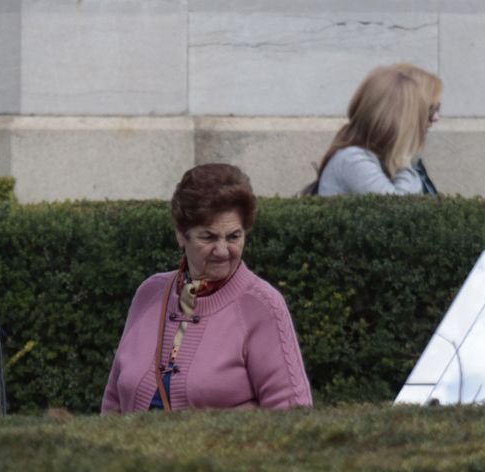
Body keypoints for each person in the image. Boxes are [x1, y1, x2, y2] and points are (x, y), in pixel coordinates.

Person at [101, 164, 312, 413]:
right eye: (208, 237)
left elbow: (291, 413)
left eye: (234, 237)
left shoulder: (262, 305)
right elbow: (112, 403)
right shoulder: (150, 294)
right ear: (181, 235)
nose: (222, 251)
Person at [312, 63, 443, 197]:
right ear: (396, 118)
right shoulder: (353, 159)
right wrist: (404, 156)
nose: (435, 117)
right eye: (428, 110)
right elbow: (400, 209)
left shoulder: (379, 157)